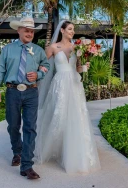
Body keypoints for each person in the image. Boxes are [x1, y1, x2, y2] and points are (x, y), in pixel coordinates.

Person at [34, 20, 101, 174]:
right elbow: (43, 66)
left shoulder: (77, 47)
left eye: (73, 29)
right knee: (59, 115)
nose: (72, 31)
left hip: (75, 84)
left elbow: (77, 68)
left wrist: (84, 67)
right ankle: (54, 148)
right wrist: (37, 77)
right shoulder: (53, 47)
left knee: (76, 116)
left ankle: (73, 153)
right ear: (62, 30)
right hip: (60, 85)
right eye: (70, 29)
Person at [0, 17, 50, 180]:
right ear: (19, 31)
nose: (30, 33)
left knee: (30, 127)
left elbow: (47, 66)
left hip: (31, 92)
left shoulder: (38, 50)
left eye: (32, 31)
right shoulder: (7, 49)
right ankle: (17, 152)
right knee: (13, 125)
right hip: (13, 91)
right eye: (27, 30)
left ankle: (27, 165)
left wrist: (38, 74)